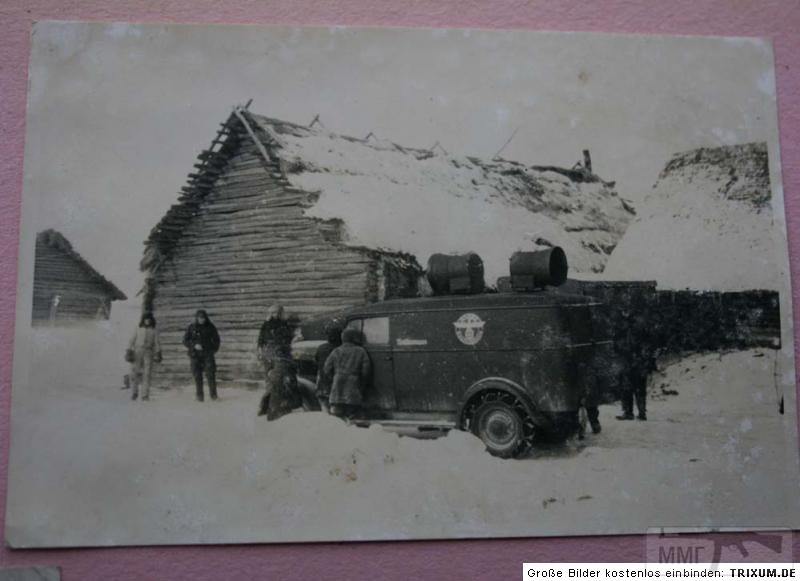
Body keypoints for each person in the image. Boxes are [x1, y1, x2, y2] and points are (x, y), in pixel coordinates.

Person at [256, 304, 297, 419]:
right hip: (275, 355)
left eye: (276, 313)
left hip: (271, 354)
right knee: (276, 381)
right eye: (273, 313)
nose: (275, 315)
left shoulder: (271, 324)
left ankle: (268, 407)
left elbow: (261, 341)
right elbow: (261, 340)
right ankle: (273, 408)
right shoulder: (275, 325)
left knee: (272, 381)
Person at [616, 303, 654, 421]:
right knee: (631, 387)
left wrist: (642, 359)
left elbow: (645, 344)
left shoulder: (634, 326)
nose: (624, 313)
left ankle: (636, 413)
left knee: (634, 387)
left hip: (635, 361)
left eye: (626, 310)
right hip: (633, 361)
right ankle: (634, 412)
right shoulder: (627, 325)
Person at [324, 328, 371, 420]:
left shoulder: (336, 351)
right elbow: (366, 369)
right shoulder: (360, 351)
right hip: (353, 382)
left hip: (337, 382)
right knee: (352, 410)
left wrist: (333, 378)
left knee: (337, 412)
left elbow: (327, 368)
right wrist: (362, 382)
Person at [183, 309, 221, 402]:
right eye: (199, 318)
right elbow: (185, 340)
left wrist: (212, 350)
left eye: (203, 318)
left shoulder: (210, 327)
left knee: (210, 375)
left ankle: (213, 395)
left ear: (205, 318)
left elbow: (217, 340)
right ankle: (199, 396)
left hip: (207, 355)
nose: (201, 320)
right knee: (197, 376)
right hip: (195, 355)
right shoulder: (191, 327)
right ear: (197, 318)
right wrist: (194, 345)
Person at [125, 313, 162, 401]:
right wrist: (129, 350)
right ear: (143, 320)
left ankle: (145, 395)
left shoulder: (154, 330)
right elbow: (131, 340)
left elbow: (157, 343)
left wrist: (158, 352)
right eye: (146, 319)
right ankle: (134, 392)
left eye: (149, 319)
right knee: (135, 372)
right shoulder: (138, 329)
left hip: (148, 352)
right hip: (137, 352)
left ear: (151, 320)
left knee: (147, 373)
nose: (147, 321)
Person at [314, 324, 343, 413]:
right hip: (337, 385)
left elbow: (316, 361)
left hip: (323, 384)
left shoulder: (321, 348)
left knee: (324, 408)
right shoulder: (341, 349)